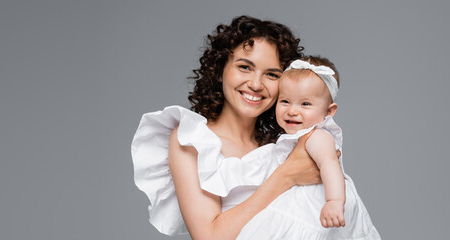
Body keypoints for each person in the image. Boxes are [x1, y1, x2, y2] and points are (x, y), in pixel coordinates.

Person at [131, 16, 327, 239]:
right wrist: (286, 177)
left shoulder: (285, 144)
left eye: (272, 74)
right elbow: (209, 236)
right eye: (244, 67)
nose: (255, 84)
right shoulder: (191, 140)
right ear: (220, 68)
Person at [235, 56, 381, 239]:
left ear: (329, 112)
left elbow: (330, 164)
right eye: (285, 101)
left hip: (312, 209)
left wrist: (334, 201)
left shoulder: (317, 136)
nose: (292, 111)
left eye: (305, 104)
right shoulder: (293, 139)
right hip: (293, 205)